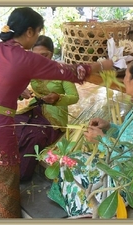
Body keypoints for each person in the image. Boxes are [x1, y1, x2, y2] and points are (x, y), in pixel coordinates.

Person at [0, 7, 113, 218]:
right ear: (30, 31)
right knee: (2, 188)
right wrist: (102, 65)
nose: (37, 38)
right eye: (39, 32)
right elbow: (68, 71)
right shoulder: (26, 59)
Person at [48, 55, 133, 217]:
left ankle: (84, 210)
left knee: (68, 163)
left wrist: (101, 140)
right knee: (74, 157)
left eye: (125, 75)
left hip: (130, 183)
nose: (123, 79)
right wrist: (110, 127)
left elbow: (126, 159)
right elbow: (129, 138)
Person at [15, 35, 79, 181]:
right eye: (36, 56)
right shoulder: (30, 69)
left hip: (55, 115)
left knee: (35, 135)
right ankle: (8, 166)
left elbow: (74, 97)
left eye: (45, 55)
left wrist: (58, 97)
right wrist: (20, 91)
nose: (41, 60)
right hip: (35, 108)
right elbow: (18, 86)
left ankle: (22, 174)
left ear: (52, 52)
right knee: (15, 124)